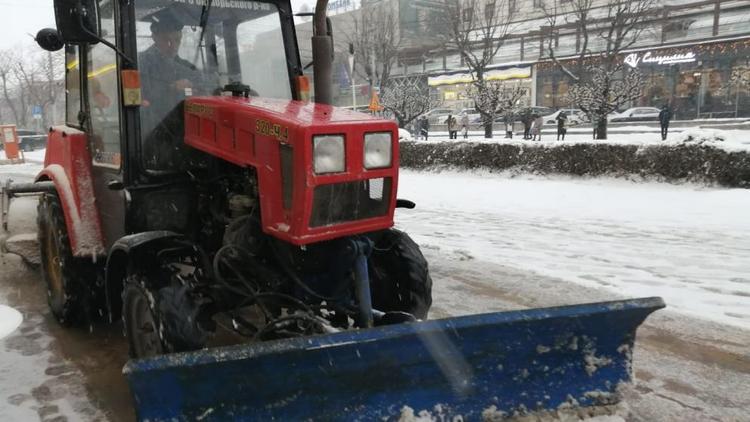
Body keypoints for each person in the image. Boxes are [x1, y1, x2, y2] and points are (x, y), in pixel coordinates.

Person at [139, 13, 209, 138]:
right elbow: (140, 100)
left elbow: (206, 92)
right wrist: (171, 88)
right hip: (150, 134)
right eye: (166, 40)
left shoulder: (187, 68)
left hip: (185, 132)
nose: (173, 46)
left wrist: (194, 89)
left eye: (177, 40)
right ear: (154, 37)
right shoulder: (139, 63)